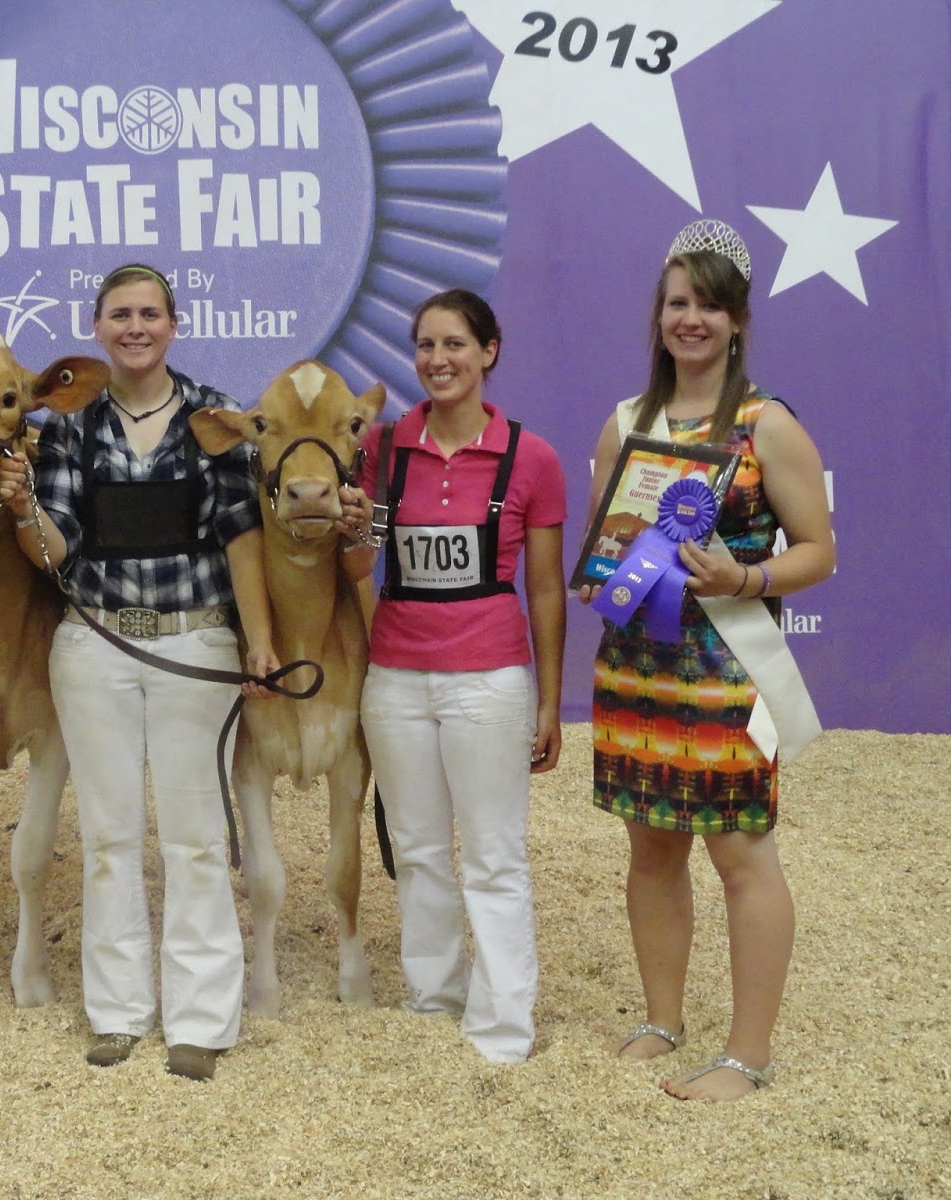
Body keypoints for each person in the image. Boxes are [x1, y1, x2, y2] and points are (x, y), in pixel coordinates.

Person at [0, 263, 277, 1081]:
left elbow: (241, 535)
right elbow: (55, 553)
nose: (135, 327)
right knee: (111, 835)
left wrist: (257, 641)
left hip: (195, 645)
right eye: (120, 314)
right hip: (97, 643)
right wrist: (21, 508)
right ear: (98, 325)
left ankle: (201, 1021)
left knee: (195, 838)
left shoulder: (213, 416)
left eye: (149, 313)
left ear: (173, 322)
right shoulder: (73, 426)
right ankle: (117, 1012)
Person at [577, 220, 834, 1101]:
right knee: (651, 849)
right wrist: (597, 576)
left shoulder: (771, 425)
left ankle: (746, 1055)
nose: (691, 319)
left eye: (709, 305)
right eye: (678, 303)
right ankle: (661, 1019)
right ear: (659, 317)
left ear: (736, 319)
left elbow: (820, 551)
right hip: (635, 669)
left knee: (741, 855)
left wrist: (746, 573)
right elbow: (602, 542)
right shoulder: (624, 424)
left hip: (727, 668)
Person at [337, 288, 567, 1064]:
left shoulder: (531, 458)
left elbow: (543, 587)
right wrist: (352, 526)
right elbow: (362, 560)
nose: (439, 360)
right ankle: (433, 995)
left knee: (495, 853)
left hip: (490, 677)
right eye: (427, 346)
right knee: (418, 846)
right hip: (396, 676)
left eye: (456, 345)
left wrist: (549, 698)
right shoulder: (381, 447)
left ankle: (504, 1020)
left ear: (489, 351)